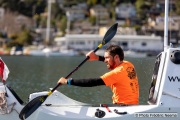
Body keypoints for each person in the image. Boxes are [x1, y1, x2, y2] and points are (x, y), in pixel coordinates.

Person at [57, 44, 139, 105]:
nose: (105, 60)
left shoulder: (116, 73)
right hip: (134, 106)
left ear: (116, 57)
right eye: (105, 58)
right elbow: (112, 62)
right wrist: (96, 57)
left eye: (107, 58)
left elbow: (93, 82)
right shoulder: (128, 65)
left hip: (123, 107)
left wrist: (67, 81)